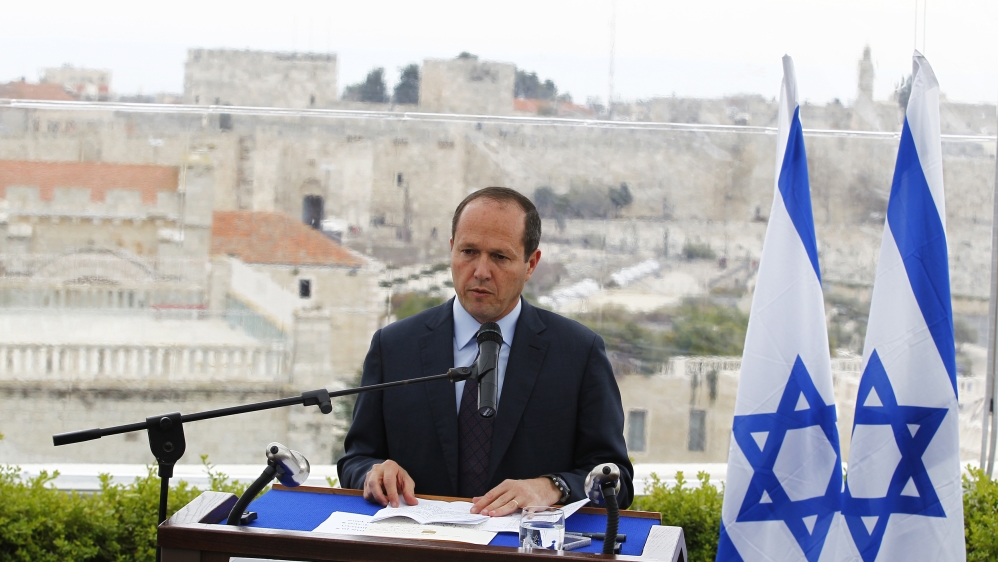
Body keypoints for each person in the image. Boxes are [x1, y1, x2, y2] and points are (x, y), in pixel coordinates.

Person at [337, 187, 633, 517]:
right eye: (468, 252)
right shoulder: (394, 345)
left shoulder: (578, 352)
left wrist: (553, 487)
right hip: (416, 541)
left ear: (531, 263)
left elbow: (617, 479)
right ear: (451, 249)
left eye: (500, 257)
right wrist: (373, 473)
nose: (480, 271)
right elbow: (355, 460)